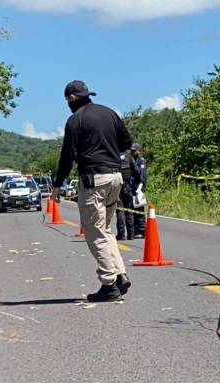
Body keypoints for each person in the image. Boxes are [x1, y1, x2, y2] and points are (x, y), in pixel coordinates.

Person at [51, 80, 132, 302]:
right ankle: (120, 274)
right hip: (116, 177)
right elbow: (127, 142)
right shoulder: (110, 113)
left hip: (93, 180)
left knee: (94, 232)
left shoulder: (75, 120)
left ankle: (109, 283)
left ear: (71, 98)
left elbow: (67, 156)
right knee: (105, 229)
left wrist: (57, 185)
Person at [116, 149, 140, 240]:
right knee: (129, 210)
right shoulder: (129, 157)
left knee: (119, 210)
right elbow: (137, 171)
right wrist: (135, 182)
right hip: (128, 187)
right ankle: (131, 234)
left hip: (118, 187)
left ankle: (121, 235)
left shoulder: (114, 156)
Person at [131, 143, 148, 238]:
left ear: (138, 151)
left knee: (139, 209)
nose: (133, 152)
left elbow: (143, 175)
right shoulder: (132, 160)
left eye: (134, 150)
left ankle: (142, 230)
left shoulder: (141, 161)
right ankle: (135, 230)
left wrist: (140, 188)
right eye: (132, 150)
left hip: (139, 187)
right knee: (133, 209)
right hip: (132, 187)